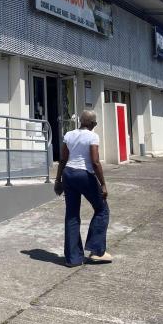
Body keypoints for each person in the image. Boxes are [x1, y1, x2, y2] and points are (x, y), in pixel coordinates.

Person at [54, 109, 111, 267]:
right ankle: (97, 251)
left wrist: (58, 180)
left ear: (80, 121)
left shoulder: (69, 134)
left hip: (68, 174)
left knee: (72, 215)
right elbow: (95, 162)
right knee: (102, 209)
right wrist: (103, 184)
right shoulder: (93, 136)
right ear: (94, 123)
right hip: (84, 175)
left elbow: (63, 159)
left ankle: (73, 259)